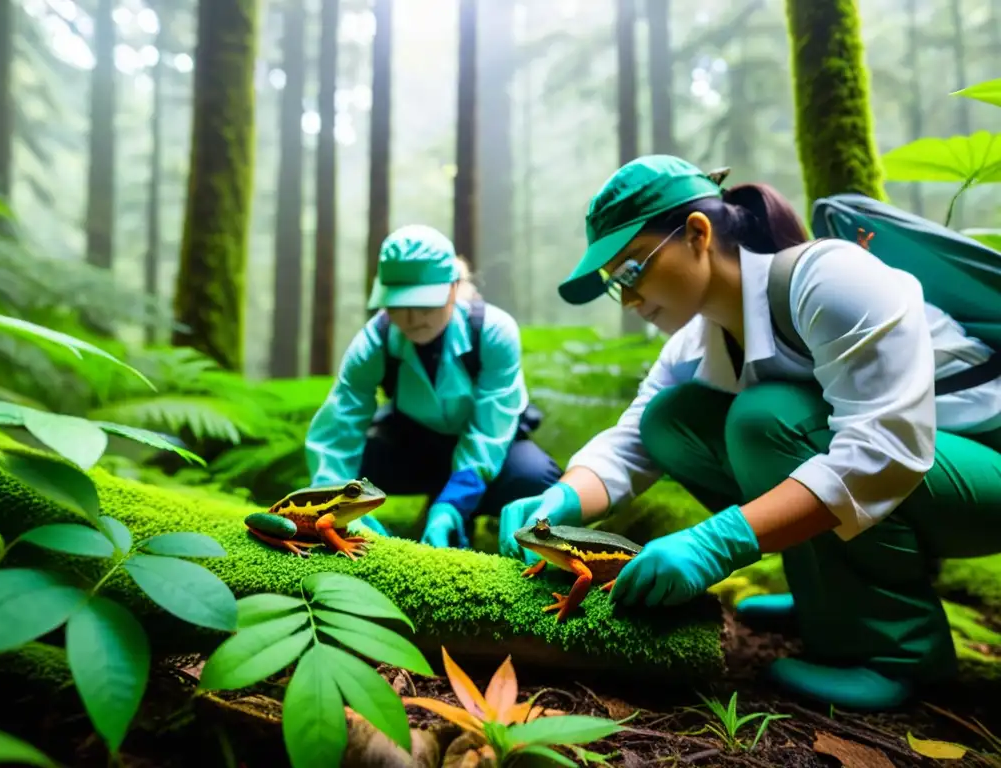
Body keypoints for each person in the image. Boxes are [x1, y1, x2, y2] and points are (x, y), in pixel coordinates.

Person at [499, 154, 1001, 710]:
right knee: (675, 418)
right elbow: (636, 440)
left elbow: (886, 449)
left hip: (982, 464)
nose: (632, 300)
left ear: (697, 233)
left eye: (633, 269)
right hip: (918, 473)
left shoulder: (831, 277)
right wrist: (561, 499)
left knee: (766, 419)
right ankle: (827, 594)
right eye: (616, 285)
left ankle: (896, 653)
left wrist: (717, 544)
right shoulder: (695, 342)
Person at [305, 224, 561, 549]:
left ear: (454, 289)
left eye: (425, 305)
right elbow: (339, 431)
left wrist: (452, 504)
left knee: (535, 477)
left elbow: (489, 431)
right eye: (398, 306)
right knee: (354, 471)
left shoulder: (493, 332)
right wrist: (336, 506)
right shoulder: (374, 342)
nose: (412, 319)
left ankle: (466, 515)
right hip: (414, 447)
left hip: (489, 449)